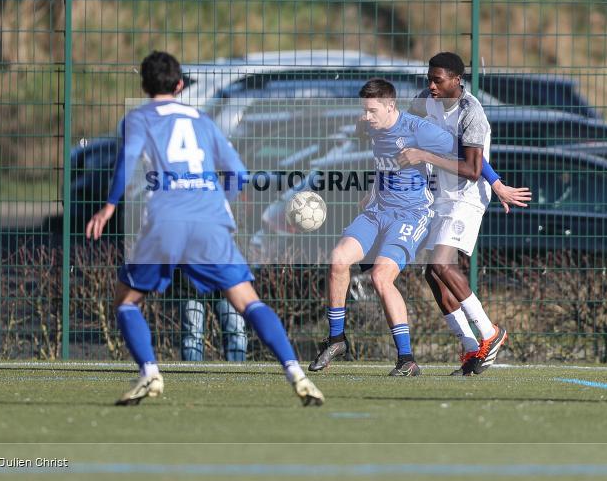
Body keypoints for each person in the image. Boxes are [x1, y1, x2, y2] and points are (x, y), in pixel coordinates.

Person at [86, 50, 324, 406]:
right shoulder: (202, 119)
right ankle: (296, 374)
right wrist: (221, 202)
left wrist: (108, 208)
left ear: (143, 85)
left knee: (127, 301)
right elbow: (239, 175)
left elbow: (126, 162)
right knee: (247, 301)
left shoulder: (137, 118)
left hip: (166, 218)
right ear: (180, 85)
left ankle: (149, 373)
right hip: (211, 218)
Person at [308, 78, 510, 376]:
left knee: (381, 277)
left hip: (410, 216)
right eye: (364, 110)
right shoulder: (370, 126)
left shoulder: (418, 130)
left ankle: (406, 359)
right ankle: (337, 339)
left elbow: (467, 155)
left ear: (391, 107)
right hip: (376, 210)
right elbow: (374, 146)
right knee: (338, 261)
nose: (366, 116)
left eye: (372, 110)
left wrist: (496, 183)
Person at [401, 52, 531, 376]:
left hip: (467, 197)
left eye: (438, 80)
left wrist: (493, 183)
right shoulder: (424, 100)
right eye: (428, 78)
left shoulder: (472, 112)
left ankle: (490, 333)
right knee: (432, 274)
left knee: (442, 264)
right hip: (440, 196)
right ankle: (473, 350)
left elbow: (473, 168)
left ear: (456, 80)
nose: (431, 85)